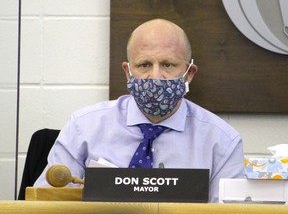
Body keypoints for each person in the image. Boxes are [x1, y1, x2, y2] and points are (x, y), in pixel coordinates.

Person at [33, 18, 245, 202]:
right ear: (128, 72)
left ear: (189, 73)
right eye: (144, 64)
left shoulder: (222, 142)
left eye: (168, 64)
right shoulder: (83, 128)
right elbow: (44, 203)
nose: (155, 76)